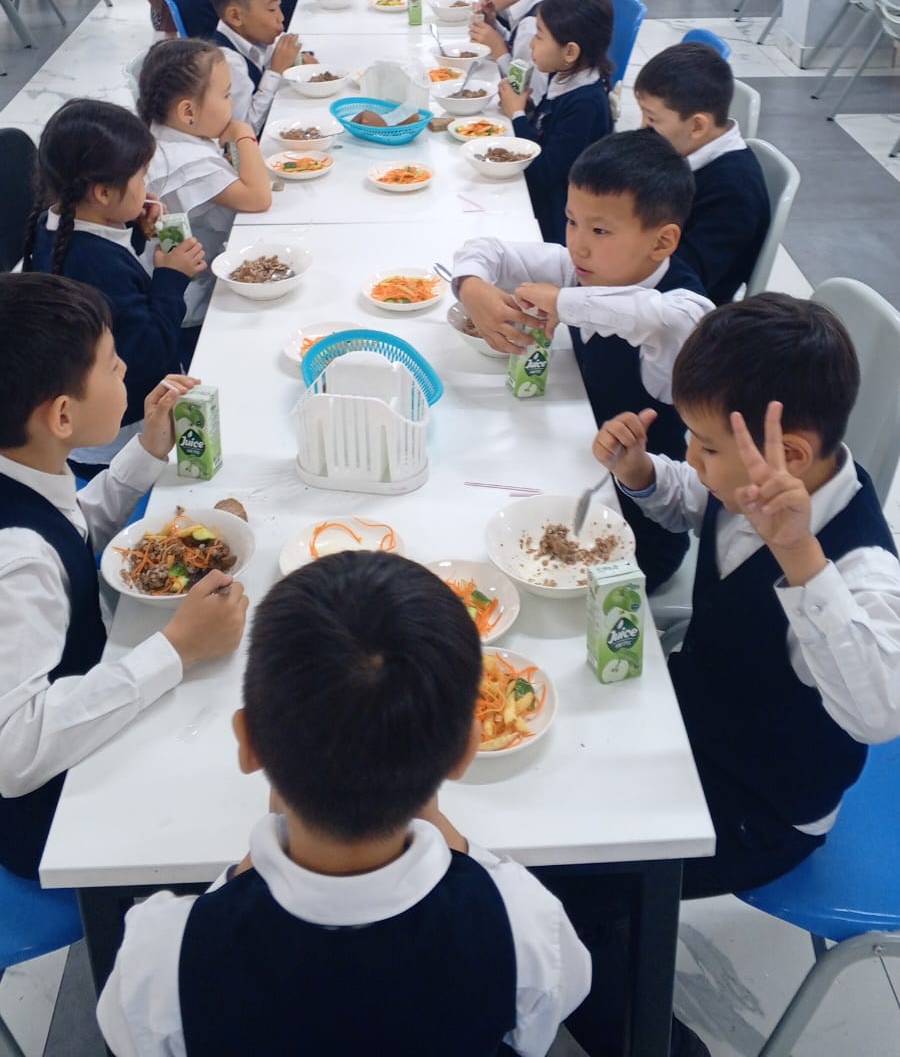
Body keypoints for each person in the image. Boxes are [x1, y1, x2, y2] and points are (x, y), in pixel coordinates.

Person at [559, 294, 900, 1057]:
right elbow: (695, 503)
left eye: (707, 446)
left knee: (564, 888)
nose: (694, 458)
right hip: (697, 724)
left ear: (793, 455)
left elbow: (878, 711)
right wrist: (642, 472)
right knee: (557, 776)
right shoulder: (755, 482)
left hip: (761, 808)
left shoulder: (861, 565)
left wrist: (799, 556)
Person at [96, 551, 590, 1057]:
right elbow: (544, 1018)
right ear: (466, 750)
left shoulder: (161, 961)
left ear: (248, 743)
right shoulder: (523, 926)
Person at [0, 272, 247, 880]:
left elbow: (72, 527)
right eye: (113, 367)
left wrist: (149, 449)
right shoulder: (18, 560)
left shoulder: (25, 474)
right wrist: (177, 648)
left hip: (93, 698)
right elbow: (15, 752)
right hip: (58, 814)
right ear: (63, 415)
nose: (127, 370)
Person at [452, 132, 713, 593]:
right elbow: (485, 250)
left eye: (600, 231)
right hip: (571, 464)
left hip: (637, 523)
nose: (578, 246)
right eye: (572, 222)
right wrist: (472, 288)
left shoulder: (684, 312)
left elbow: (647, 314)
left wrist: (562, 302)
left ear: (662, 241)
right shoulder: (582, 271)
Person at [24, 101, 206, 467]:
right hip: (127, 430)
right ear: (103, 193)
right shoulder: (94, 264)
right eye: (141, 177)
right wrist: (172, 277)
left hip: (101, 413)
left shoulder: (56, 224)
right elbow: (150, 353)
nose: (146, 187)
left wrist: (131, 225)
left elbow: (118, 295)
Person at [139, 40, 271, 332]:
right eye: (225, 95)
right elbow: (259, 197)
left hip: (193, 277)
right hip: (193, 303)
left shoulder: (166, 134)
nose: (231, 104)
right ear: (188, 112)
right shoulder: (185, 161)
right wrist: (243, 132)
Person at [634, 44, 771, 305]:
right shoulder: (684, 152)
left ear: (697, 125)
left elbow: (684, 282)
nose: (643, 128)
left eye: (652, 119)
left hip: (681, 312)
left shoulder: (733, 193)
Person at [498, 0, 614, 243]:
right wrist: (527, 109)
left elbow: (545, 173)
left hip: (557, 220)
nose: (532, 44)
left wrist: (517, 115)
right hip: (543, 195)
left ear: (570, 52)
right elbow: (547, 131)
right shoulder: (563, 75)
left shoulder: (585, 104)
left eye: (539, 36)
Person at [209, 0, 305, 136]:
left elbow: (276, 53)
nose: (281, 18)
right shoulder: (227, 63)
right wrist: (275, 72)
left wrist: (297, 59)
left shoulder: (254, 35)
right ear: (236, 16)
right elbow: (245, 128)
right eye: (271, 9)